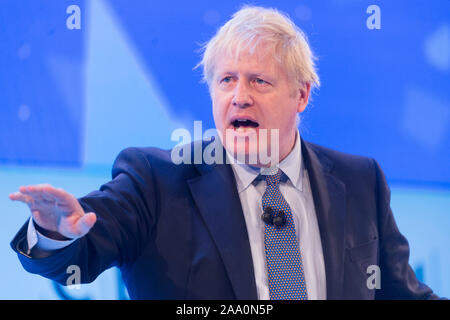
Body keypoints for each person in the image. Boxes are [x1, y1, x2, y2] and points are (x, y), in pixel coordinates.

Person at [9, 6, 439, 300]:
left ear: (302, 94)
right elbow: (83, 253)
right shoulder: (156, 179)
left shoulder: (361, 181)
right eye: (226, 80)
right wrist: (55, 232)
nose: (239, 98)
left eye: (259, 82)